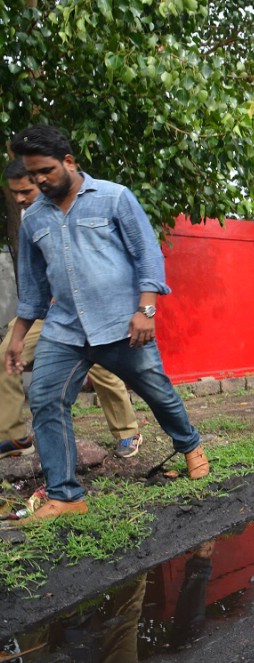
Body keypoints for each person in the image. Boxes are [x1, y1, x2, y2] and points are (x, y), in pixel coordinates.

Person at [5, 125, 209, 521]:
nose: (40, 180)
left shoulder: (114, 198)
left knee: (159, 393)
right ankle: (66, 496)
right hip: (65, 330)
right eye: (33, 174)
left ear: (69, 161)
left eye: (46, 170)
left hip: (122, 326)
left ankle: (190, 446)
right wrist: (17, 338)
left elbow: (147, 256)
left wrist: (146, 310)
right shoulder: (33, 220)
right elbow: (32, 289)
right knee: (46, 399)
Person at [1, 160, 143, 460]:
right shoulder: (31, 219)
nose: (19, 199)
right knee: (5, 356)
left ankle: (127, 431)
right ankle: (14, 435)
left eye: (25, 191)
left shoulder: (78, 207)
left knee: (104, 368)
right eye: (14, 193)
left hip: (90, 312)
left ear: (44, 181)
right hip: (46, 314)